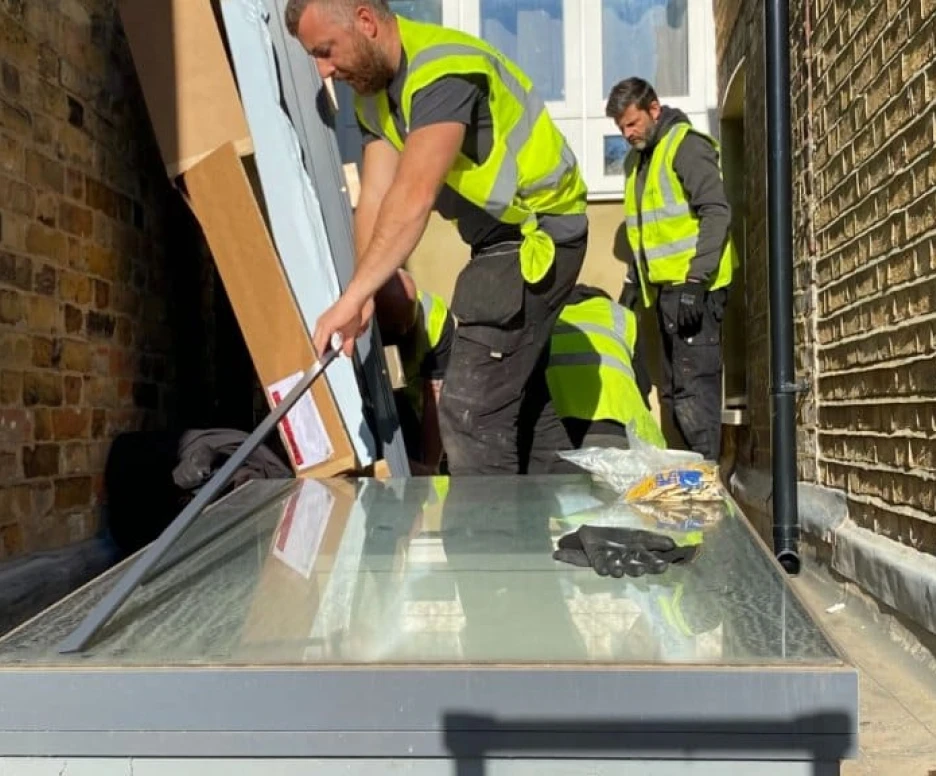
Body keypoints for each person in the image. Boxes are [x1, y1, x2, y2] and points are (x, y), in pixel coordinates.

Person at [286, 0, 589, 475]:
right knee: (522, 409)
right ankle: (568, 518)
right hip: (496, 241)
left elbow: (413, 196)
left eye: (326, 51)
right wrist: (363, 293)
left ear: (365, 22)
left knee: (469, 414)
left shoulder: (442, 70)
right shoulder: (374, 95)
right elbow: (378, 197)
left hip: (541, 231)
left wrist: (358, 293)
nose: (324, 70)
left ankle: (488, 547)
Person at [606, 77, 738, 461]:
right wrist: (634, 282)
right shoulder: (638, 162)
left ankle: (707, 492)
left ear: (654, 109)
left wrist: (696, 280)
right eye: (620, 128)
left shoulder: (685, 146)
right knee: (673, 398)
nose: (627, 134)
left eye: (632, 123)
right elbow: (647, 231)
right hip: (664, 295)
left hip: (695, 292)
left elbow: (716, 212)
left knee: (694, 397)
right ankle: (687, 495)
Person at [545, 284, 666, 454]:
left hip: (555, 428)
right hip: (615, 426)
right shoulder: (623, 316)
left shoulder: (548, 317)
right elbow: (643, 386)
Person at [373, 269, 453, 472]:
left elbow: (435, 399)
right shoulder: (362, 325)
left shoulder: (436, 318)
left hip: (414, 409)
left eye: (407, 323)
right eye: (394, 326)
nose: (401, 331)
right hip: (382, 406)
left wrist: (429, 468)